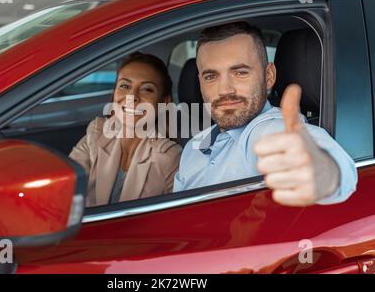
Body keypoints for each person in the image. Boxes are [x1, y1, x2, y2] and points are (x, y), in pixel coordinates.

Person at [174, 22, 357, 206]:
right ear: (200, 82)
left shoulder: (268, 130)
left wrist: (320, 170)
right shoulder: (192, 148)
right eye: (211, 76)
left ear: (269, 76)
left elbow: (338, 170)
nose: (225, 90)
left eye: (240, 72)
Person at [70, 52, 182, 207]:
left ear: (164, 102)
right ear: (114, 93)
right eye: (125, 86)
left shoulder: (169, 157)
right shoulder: (95, 134)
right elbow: (64, 189)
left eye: (147, 89)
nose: (132, 96)